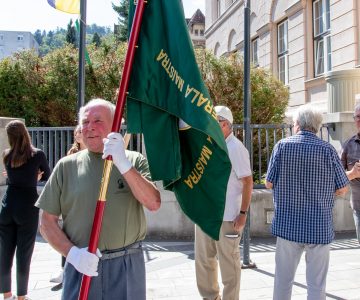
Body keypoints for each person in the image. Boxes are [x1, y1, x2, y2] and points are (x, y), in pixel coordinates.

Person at [36, 98, 161, 300]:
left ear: (116, 125)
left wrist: (123, 163)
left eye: (97, 121)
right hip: (81, 265)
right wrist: (73, 254)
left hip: (126, 265)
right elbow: (46, 221)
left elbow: (153, 203)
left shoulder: (134, 160)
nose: (90, 128)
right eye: (85, 122)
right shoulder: (66, 166)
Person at [265, 105, 349, 300]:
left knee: (283, 281)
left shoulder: (282, 146)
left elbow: (269, 183)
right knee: (317, 285)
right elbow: (342, 187)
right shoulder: (328, 150)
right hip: (319, 226)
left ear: (297, 125)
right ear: (317, 126)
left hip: (288, 225)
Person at [195, 105, 253, 300]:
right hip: (206, 215)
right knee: (204, 262)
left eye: (215, 121)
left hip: (228, 217)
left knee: (229, 266)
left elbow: (248, 181)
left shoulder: (236, 148)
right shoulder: (209, 145)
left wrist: (243, 213)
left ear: (226, 124)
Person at [0, 120, 51, 300]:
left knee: (5, 252)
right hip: (27, 206)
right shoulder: (37, 154)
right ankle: (21, 296)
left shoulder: (6, 155)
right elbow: (48, 175)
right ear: (25, 133)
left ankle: (6, 295)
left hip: (7, 206)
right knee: (24, 252)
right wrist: (35, 176)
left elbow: (13, 178)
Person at [49, 124, 86, 284]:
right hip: (71, 200)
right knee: (67, 236)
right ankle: (65, 270)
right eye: (77, 132)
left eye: (80, 131)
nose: (79, 134)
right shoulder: (71, 154)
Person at [340, 104, 360, 244]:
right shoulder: (348, 145)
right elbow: (337, 176)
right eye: (358, 117)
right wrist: (352, 173)